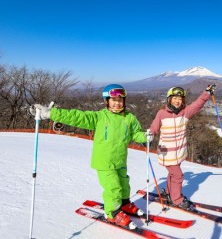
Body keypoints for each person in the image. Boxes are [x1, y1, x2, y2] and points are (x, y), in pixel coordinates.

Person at [30, 84, 153, 228]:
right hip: (104, 161)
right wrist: (51, 113)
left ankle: (124, 203)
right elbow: (76, 117)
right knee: (113, 187)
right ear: (107, 101)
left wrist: (145, 136)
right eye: (113, 100)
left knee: (124, 183)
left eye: (120, 100)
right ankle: (112, 213)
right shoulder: (99, 117)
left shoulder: (129, 118)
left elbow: (136, 133)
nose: (117, 103)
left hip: (120, 160)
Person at [148, 84, 216, 209]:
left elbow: (197, 105)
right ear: (169, 99)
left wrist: (206, 93)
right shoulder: (162, 113)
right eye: (174, 98)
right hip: (166, 152)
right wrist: (149, 135)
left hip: (179, 150)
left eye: (180, 99)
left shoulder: (184, 113)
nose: (177, 101)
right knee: (178, 175)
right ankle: (176, 199)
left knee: (173, 174)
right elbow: (154, 127)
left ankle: (169, 193)